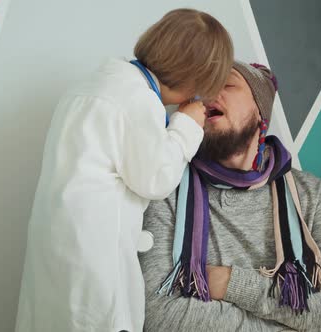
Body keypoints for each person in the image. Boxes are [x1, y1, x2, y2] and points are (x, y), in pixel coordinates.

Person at [15, 9, 234, 332]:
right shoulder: (138, 100)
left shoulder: (91, 87)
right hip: (93, 255)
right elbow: (155, 177)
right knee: (97, 319)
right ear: (194, 84)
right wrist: (186, 125)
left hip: (55, 245)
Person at [140, 61, 321, 331]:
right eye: (200, 88)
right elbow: (158, 315)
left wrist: (228, 282)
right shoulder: (164, 190)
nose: (206, 94)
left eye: (225, 84)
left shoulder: (314, 195)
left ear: (260, 110)